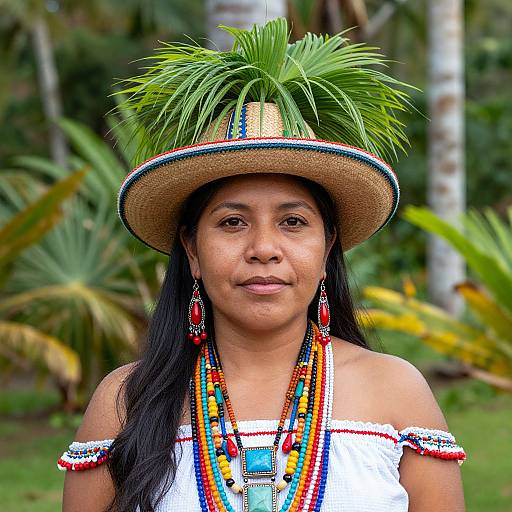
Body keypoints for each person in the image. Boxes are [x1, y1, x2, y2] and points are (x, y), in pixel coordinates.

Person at [58, 17, 466, 512]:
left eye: (293, 222)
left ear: (327, 248)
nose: (264, 248)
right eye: (232, 223)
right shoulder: (125, 402)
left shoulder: (396, 393)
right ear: (192, 249)